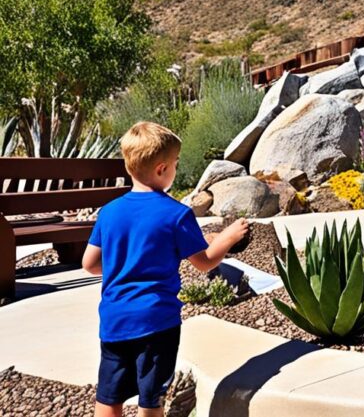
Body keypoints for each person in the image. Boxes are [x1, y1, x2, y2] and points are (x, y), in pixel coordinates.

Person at [82, 122, 249, 417]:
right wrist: (228, 236)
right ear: (162, 169)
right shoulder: (176, 214)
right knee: (150, 398)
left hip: (114, 321)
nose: (175, 169)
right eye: (175, 164)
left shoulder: (109, 213)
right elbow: (205, 261)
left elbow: (90, 264)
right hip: (156, 322)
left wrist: (128, 259)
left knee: (109, 396)